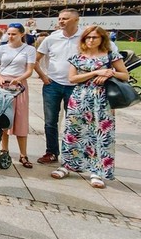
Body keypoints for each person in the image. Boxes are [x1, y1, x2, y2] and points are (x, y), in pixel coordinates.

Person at [34, 9, 118, 164]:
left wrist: (104, 72)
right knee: (50, 121)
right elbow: (35, 59)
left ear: (76, 20)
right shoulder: (52, 38)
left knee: (75, 121)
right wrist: (43, 76)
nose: (61, 21)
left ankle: (75, 155)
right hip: (53, 84)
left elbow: (109, 54)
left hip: (78, 85)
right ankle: (51, 152)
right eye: (59, 18)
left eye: (65, 18)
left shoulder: (85, 38)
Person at [50, 26, 128, 188]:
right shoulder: (78, 57)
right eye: (88, 37)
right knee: (73, 132)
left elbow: (125, 75)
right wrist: (95, 73)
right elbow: (72, 78)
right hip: (80, 97)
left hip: (102, 99)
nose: (91, 40)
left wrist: (109, 73)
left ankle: (97, 171)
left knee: (99, 134)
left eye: (95, 37)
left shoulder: (110, 56)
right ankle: (68, 164)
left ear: (102, 39)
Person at [0, 23, 36, 168]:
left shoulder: (29, 49)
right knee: (4, 117)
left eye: (14, 34)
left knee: (20, 118)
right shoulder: (1, 48)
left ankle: (23, 154)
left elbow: (30, 70)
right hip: (2, 83)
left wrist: (18, 79)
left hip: (19, 85)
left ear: (21, 35)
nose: (11, 37)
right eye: (9, 34)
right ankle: (4, 149)